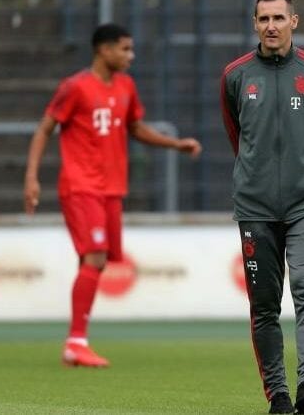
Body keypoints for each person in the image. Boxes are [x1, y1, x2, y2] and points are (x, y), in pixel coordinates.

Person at [24, 23, 202, 367]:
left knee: (93, 262)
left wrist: (174, 144)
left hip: (111, 188)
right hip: (81, 186)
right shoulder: (75, 87)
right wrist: (31, 178)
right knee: (95, 258)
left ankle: (77, 342)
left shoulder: (126, 86)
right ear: (103, 50)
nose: (130, 56)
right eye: (125, 49)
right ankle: (76, 342)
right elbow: (45, 129)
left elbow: (135, 127)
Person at [220, 0, 304, 415]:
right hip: (256, 207)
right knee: (264, 305)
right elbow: (237, 135)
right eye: (264, 18)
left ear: (294, 21)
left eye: (279, 18)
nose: (271, 26)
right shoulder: (235, 76)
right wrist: (260, 174)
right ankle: (278, 395)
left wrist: (301, 173)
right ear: (255, 24)